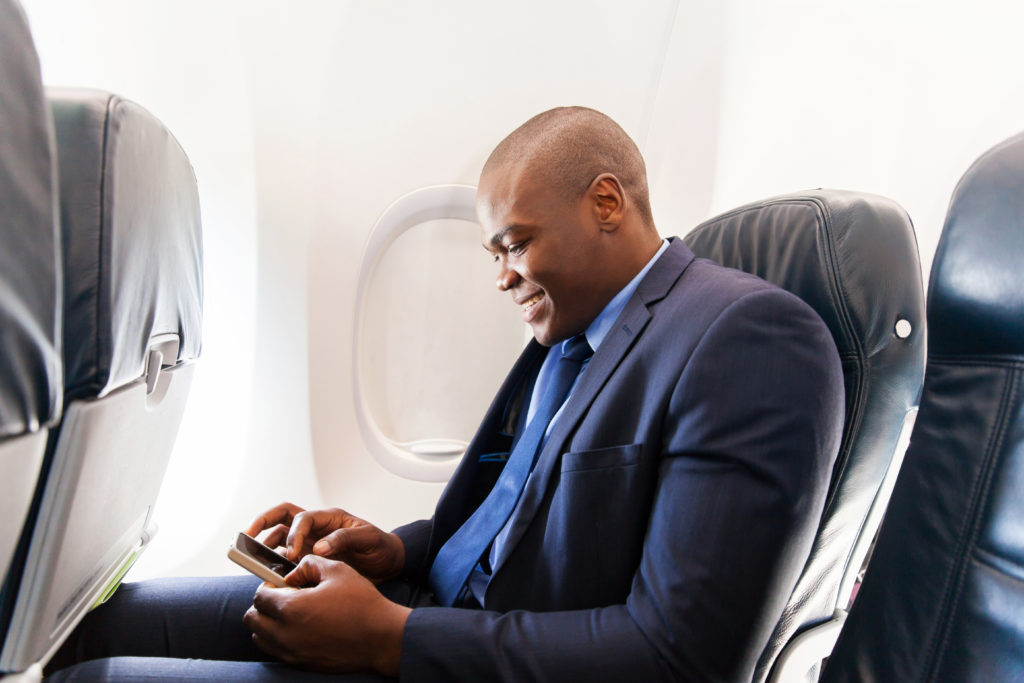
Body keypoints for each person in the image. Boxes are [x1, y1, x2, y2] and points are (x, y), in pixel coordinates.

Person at [47, 107, 844, 681]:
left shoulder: (747, 336)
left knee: (99, 678)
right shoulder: (571, 338)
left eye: (516, 243)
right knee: (84, 627)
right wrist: (393, 549)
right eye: (494, 249)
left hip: (466, 656)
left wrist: (389, 639)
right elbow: (514, 515)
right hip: (426, 606)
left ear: (607, 203)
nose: (501, 274)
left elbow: (678, 655)